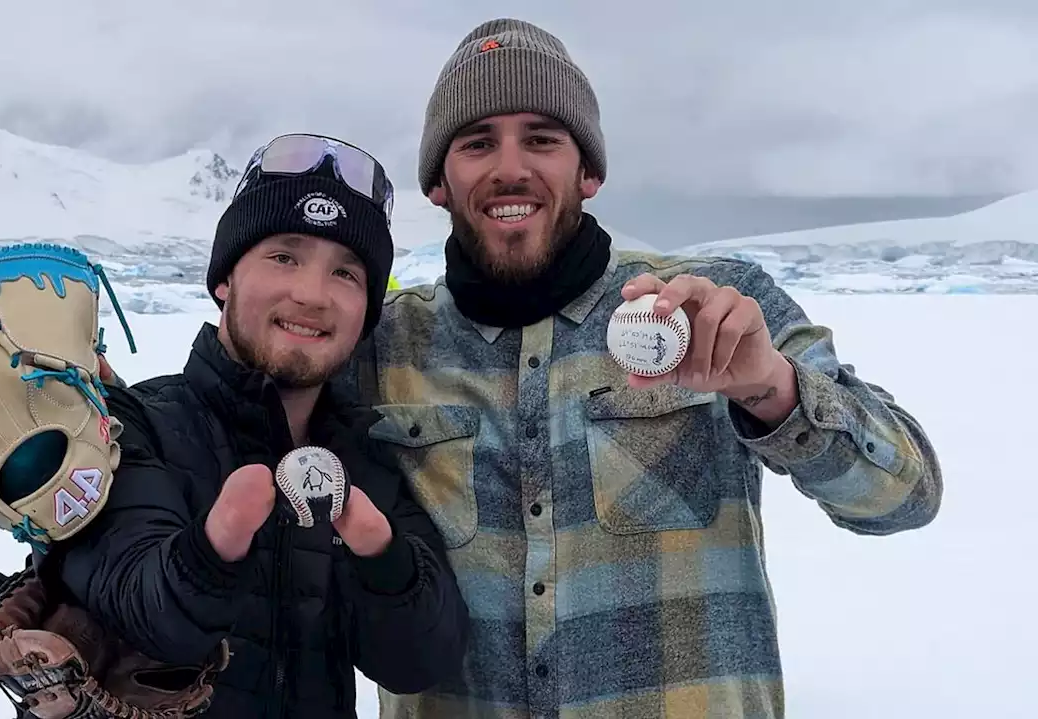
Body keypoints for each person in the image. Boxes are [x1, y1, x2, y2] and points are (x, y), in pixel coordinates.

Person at [336, 18, 945, 719]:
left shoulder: (719, 306)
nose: (510, 167)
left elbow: (907, 494)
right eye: (478, 143)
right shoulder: (380, 347)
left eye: (542, 138)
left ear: (588, 171)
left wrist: (772, 390)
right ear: (438, 183)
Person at [55, 133, 470, 717]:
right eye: (284, 256)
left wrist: (385, 560)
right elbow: (138, 601)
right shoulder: (131, 427)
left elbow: (421, 662)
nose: (312, 294)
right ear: (225, 279)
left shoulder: (365, 456)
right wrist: (212, 550)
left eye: (347, 274)